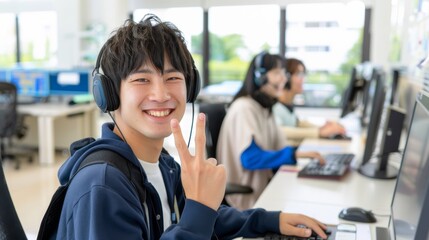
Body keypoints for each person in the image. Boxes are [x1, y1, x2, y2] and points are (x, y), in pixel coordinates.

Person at [54, 15, 328, 239]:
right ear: (109, 94)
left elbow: (204, 217)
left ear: (191, 87)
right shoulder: (103, 186)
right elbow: (196, 216)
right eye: (141, 80)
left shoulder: (162, 163)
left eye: (173, 77)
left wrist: (269, 220)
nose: (161, 94)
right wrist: (199, 207)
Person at [216, 52, 325, 211]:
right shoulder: (244, 108)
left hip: (265, 185)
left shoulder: (265, 108)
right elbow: (250, 159)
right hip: (246, 195)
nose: (284, 79)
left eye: (284, 73)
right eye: (277, 73)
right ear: (259, 77)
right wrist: (293, 154)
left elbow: (280, 145)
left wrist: (301, 154)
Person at [273, 58, 346, 146]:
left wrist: (324, 128)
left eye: (303, 75)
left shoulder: (287, 104)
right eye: (298, 74)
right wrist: (318, 132)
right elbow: (281, 131)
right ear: (286, 77)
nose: (303, 79)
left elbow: (297, 123)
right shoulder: (275, 106)